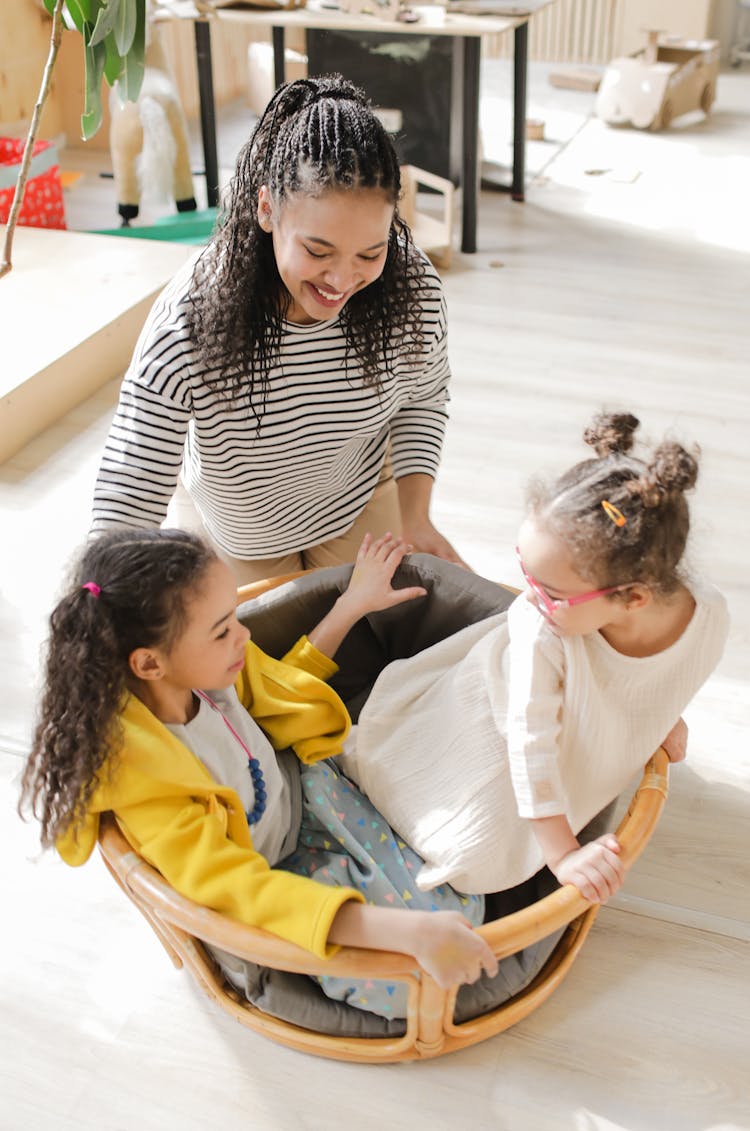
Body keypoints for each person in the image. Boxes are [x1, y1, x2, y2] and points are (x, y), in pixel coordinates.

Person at [18, 528, 496, 1021]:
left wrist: (351, 605)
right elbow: (237, 887)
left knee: (461, 883)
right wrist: (406, 934)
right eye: (222, 629)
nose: (243, 633)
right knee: (410, 980)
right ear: (149, 663)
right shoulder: (147, 781)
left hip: (314, 792)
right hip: (280, 871)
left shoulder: (215, 672)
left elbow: (287, 689)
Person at [338, 412, 730, 904]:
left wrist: (662, 713)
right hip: (491, 718)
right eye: (525, 569)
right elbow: (530, 745)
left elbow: (669, 670)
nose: (528, 596)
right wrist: (563, 853)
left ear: (633, 598)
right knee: (471, 852)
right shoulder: (541, 630)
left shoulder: (709, 617)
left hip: (559, 727)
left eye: (550, 591)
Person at [91, 74, 466, 585]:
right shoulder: (193, 314)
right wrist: (96, 597)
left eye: (370, 253)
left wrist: (417, 517)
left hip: (357, 495)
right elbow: (131, 478)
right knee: (263, 656)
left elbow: (424, 397)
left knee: (369, 645)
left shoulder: (411, 286)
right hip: (244, 528)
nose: (341, 279)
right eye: (317, 251)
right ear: (266, 208)